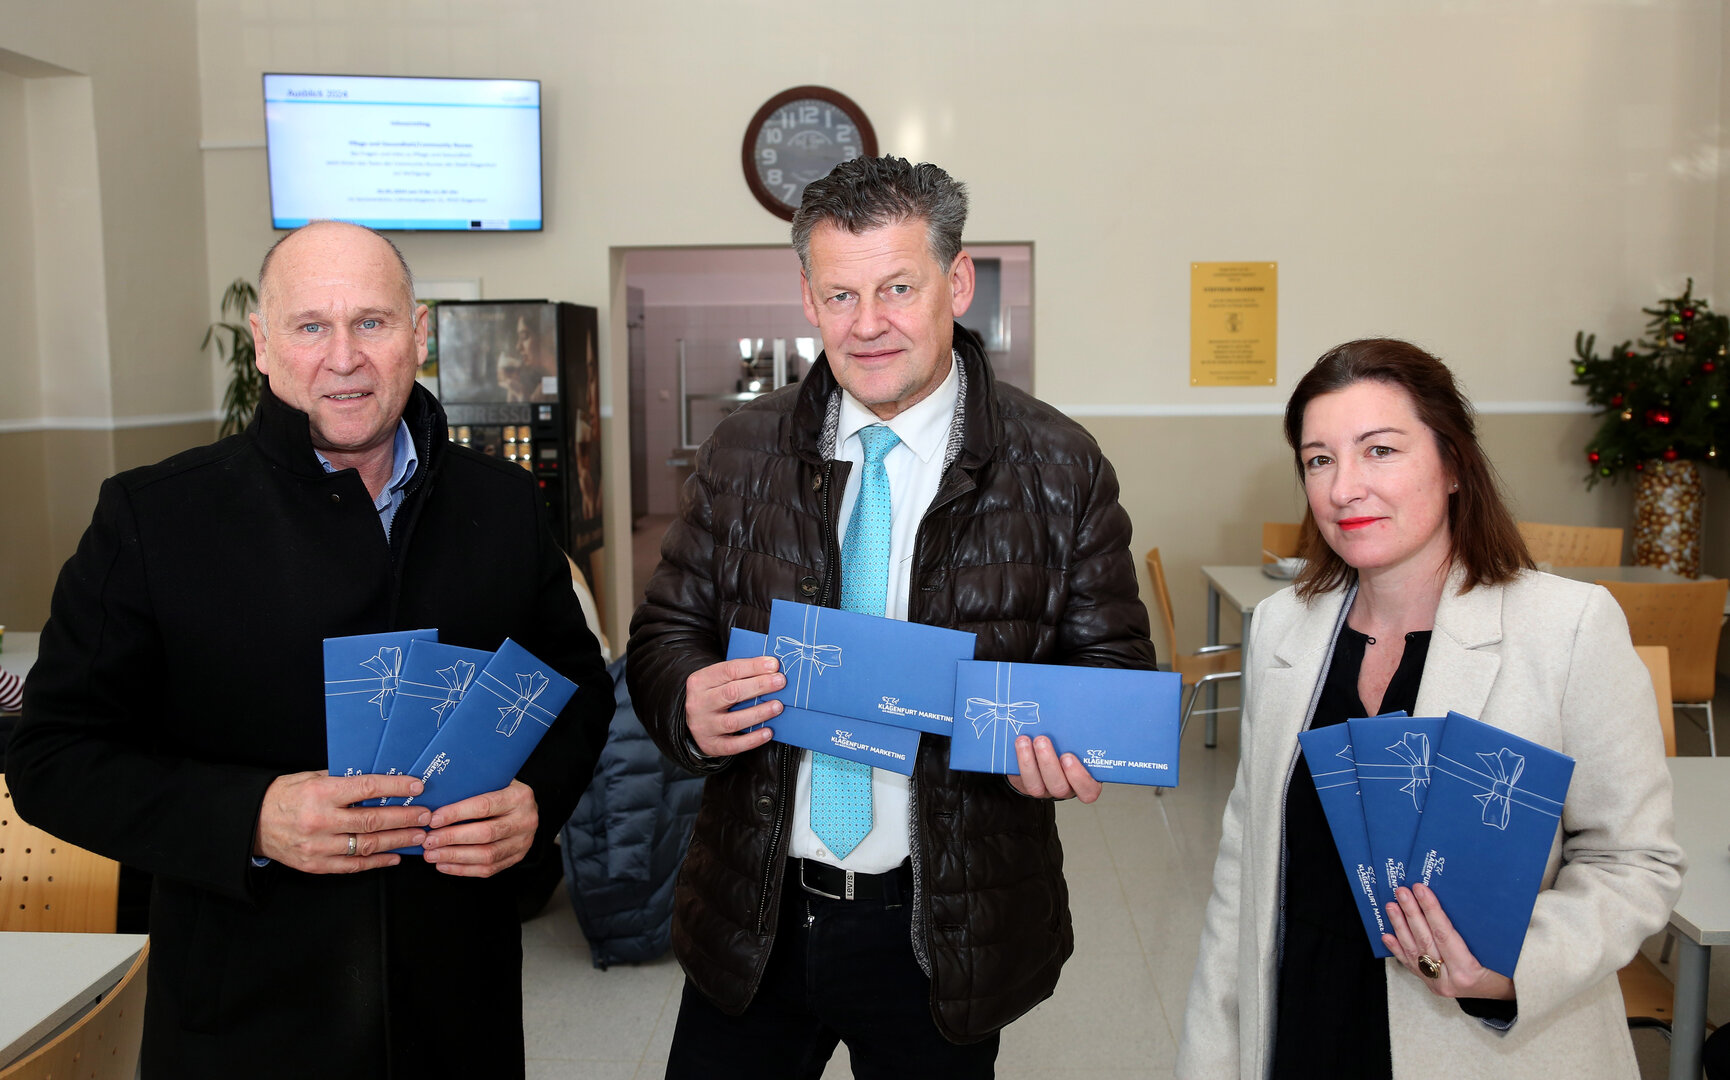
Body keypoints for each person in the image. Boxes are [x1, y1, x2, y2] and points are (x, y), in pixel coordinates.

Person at [8, 220, 613, 1079]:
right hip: (247, 1019)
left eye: (371, 321)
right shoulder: (154, 522)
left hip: (458, 1009)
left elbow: (577, 687)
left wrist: (534, 801)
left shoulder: (502, 505)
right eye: (310, 326)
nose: (344, 356)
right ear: (262, 344)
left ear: (420, 334)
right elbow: (52, 757)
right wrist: (250, 816)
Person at [627, 155, 1158, 1079]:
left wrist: (1063, 750)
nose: (867, 325)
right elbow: (664, 636)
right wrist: (687, 705)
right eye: (840, 295)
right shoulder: (743, 450)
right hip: (755, 911)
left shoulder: (1058, 465)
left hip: (940, 924)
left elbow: (1113, 668)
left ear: (956, 283)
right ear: (807, 297)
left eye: (897, 288)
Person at [1176, 339, 1683, 1079]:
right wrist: (1213, 1055)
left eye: (1379, 450)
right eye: (1319, 459)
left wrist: (1507, 968)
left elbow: (1634, 861)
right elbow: (1245, 863)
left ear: (1451, 464)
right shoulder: (1286, 628)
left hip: (1480, 1047)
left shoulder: (1567, 628)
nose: (1343, 487)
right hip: (1303, 1031)